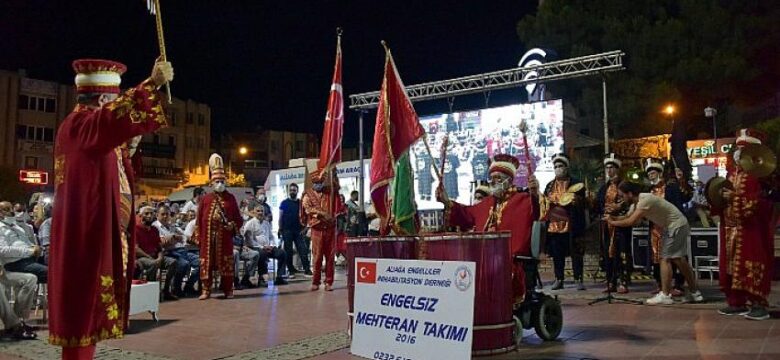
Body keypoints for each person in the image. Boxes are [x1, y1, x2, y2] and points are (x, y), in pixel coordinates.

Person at [48, 58, 173, 359]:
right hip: (87, 236)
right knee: (82, 315)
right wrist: (152, 83)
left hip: (93, 232)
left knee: (87, 317)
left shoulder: (85, 130)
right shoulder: (81, 125)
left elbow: (111, 163)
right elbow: (109, 121)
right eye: (114, 99)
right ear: (104, 98)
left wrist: (128, 147)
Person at [438, 154, 539, 304]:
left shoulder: (524, 200)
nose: (493, 181)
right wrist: (447, 201)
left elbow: (539, 212)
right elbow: (466, 214)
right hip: (484, 256)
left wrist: (535, 194)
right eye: (492, 178)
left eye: (498, 178)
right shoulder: (487, 203)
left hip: (510, 259)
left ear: (509, 180)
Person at [606, 181, 702, 305]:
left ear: (629, 194)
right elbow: (626, 217)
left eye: (622, 195)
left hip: (675, 226)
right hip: (676, 226)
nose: (621, 199)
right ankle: (695, 293)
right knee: (679, 259)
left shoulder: (645, 200)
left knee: (665, 259)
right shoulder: (637, 203)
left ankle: (665, 295)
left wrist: (612, 223)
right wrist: (611, 218)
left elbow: (631, 221)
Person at [713, 129, 775, 320]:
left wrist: (735, 198)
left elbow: (757, 205)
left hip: (751, 230)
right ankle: (736, 302)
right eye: (737, 149)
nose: (738, 153)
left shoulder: (758, 177)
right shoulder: (732, 175)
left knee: (752, 265)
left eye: (743, 149)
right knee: (731, 267)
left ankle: (758, 303)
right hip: (731, 229)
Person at [193, 153, 243, 300]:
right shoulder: (205, 199)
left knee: (226, 263)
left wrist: (232, 226)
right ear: (212, 183)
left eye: (222, 180)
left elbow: (238, 219)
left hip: (225, 238)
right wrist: (198, 237)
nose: (220, 183)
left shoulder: (231, 198)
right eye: (217, 181)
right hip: (208, 238)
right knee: (206, 263)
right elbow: (198, 220)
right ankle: (206, 290)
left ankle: (228, 290)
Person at [542, 153, 586, 290]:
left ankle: (578, 279)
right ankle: (559, 279)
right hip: (554, 226)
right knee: (557, 254)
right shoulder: (549, 186)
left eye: (560, 166)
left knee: (576, 253)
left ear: (566, 167)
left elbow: (585, 204)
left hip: (572, 224)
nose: (558, 168)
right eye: (555, 166)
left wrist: (576, 201)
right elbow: (543, 203)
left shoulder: (576, 184)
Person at [645, 158, 686, 295]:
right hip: (655, 229)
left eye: (653, 172)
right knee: (657, 258)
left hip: (670, 227)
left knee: (673, 256)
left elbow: (682, 200)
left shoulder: (670, 187)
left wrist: (681, 181)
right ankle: (661, 283)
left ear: (659, 173)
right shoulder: (648, 190)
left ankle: (676, 284)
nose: (651, 175)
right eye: (649, 173)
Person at [301, 169, 345, 291]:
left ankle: (328, 282)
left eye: (320, 182)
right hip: (317, 229)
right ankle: (315, 282)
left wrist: (334, 174)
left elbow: (337, 188)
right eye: (316, 182)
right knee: (317, 257)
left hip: (330, 229)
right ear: (312, 182)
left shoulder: (329, 193)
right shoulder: (308, 194)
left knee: (330, 257)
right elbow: (308, 209)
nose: (318, 184)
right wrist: (320, 214)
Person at [594, 154, 632, 293]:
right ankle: (611, 281)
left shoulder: (625, 185)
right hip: (606, 225)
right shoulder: (604, 188)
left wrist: (620, 207)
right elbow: (598, 205)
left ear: (617, 169)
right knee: (608, 253)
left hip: (621, 224)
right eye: (607, 168)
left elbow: (632, 202)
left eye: (612, 168)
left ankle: (623, 281)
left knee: (622, 252)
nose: (609, 171)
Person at [154, 205, 199, 297]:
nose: (166, 216)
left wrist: (173, 237)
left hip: (181, 250)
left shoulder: (172, 226)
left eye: (167, 214)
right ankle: (176, 288)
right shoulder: (155, 227)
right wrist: (173, 237)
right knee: (184, 264)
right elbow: (162, 242)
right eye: (163, 214)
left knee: (201, 261)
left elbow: (183, 237)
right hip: (168, 253)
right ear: (157, 215)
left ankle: (188, 286)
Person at [134, 206, 178, 300]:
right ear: (140, 216)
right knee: (153, 264)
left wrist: (160, 257)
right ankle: (151, 293)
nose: (149, 215)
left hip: (155, 256)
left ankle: (166, 291)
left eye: (151, 213)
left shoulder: (154, 229)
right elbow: (136, 249)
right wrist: (150, 258)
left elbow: (159, 247)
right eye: (146, 214)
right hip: (141, 258)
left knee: (173, 262)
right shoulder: (136, 229)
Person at [242, 202, 288, 287]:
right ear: (254, 212)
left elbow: (271, 236)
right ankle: (262, 278)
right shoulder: (250, 223)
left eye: (262, 211)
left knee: (282, 253)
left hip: (268, 247)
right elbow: (249, 239)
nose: (260, 212)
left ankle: (280, 277)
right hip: (255, 247)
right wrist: (263, 247)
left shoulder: (266, 223)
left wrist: (272, 245)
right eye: (258, 211)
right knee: (261, 254)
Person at [0, 202, 47, 284]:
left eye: (12, 209)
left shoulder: (17, 227)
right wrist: (30, 251)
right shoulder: (1, 228)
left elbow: (27, 244)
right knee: (50, 274)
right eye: (7, 209)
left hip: (30, 259)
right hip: (15, 263)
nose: (12, 212)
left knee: (59, 269)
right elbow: (3, 250)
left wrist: (36, 248)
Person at [279, 183, 311, 277]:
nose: (292, 191)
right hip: (287, 230)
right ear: (289, 191)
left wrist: (305, 228)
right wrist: (280, 229)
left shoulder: (301, 203)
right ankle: (291, 270)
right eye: (291, 190)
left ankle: (307, 269)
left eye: (294, 190)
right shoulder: (284, 203)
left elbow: (307, 216)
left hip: (299, 231)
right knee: (288, 251)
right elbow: (280, 217)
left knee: (303, 250)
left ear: (297, 191)